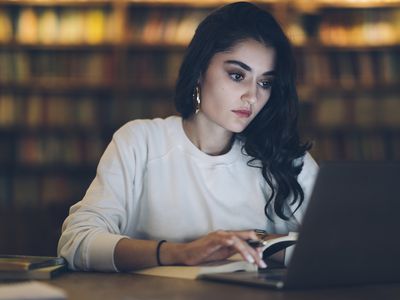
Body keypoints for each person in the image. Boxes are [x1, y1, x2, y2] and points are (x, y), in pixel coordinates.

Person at [58, 1, 318, 272]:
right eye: (237, 75)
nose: (252, 96)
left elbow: (342, 247)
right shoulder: (141, 142)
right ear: (199, 71)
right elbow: (76, 242)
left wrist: (257, 242)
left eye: (265, 82)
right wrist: (181, 253)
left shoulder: (286, 157)